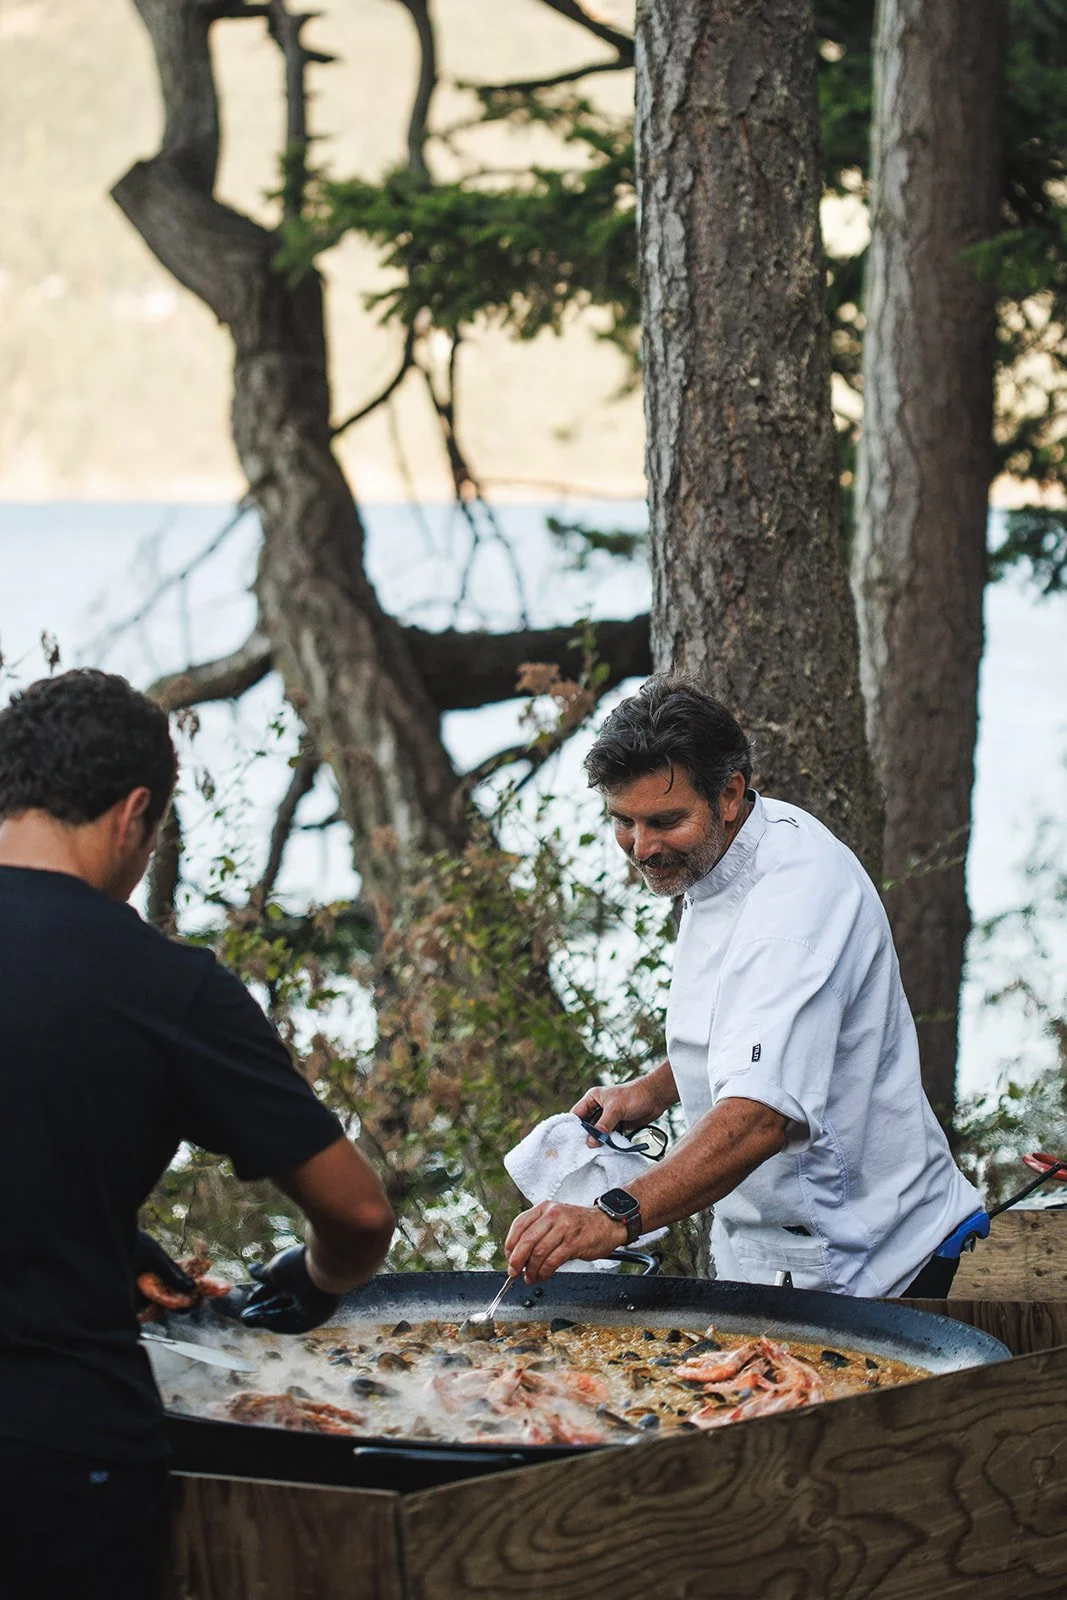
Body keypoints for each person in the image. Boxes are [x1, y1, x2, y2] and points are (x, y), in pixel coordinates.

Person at [0, 669, 395, 1600]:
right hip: (55, 1454)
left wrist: (100, 1235)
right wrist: (314, 1280)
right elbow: (358, 1214)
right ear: (135, 813)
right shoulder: (166, 987)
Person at [506, 676, 982, 1298]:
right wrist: (656, 1088)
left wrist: (611, 1217)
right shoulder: (723, 857)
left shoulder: (793, 905)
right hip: (765, 1256)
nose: (642, 848)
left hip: (870, 1264)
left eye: (664, 821)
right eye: (623, 821)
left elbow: (759, 1119)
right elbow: (756, 1024)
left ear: (729, 794)